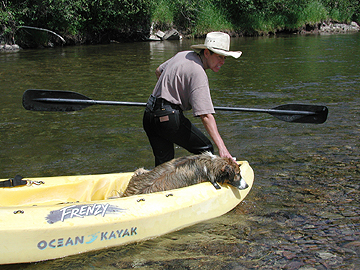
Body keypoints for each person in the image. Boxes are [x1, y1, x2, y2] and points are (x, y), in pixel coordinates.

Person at [143, 32, 242, 166]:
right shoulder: (199, 73)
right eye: (219, 57)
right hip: (168, 118)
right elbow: (206, 115)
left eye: (225, 58)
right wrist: (222, 149)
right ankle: (198, 181)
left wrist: (172, 91)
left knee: (163, 166)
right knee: (206, 150)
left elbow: (158, 71)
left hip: (149, 114)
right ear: (206, 53)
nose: (222, 62)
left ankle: (160, 185)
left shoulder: (183, 55)